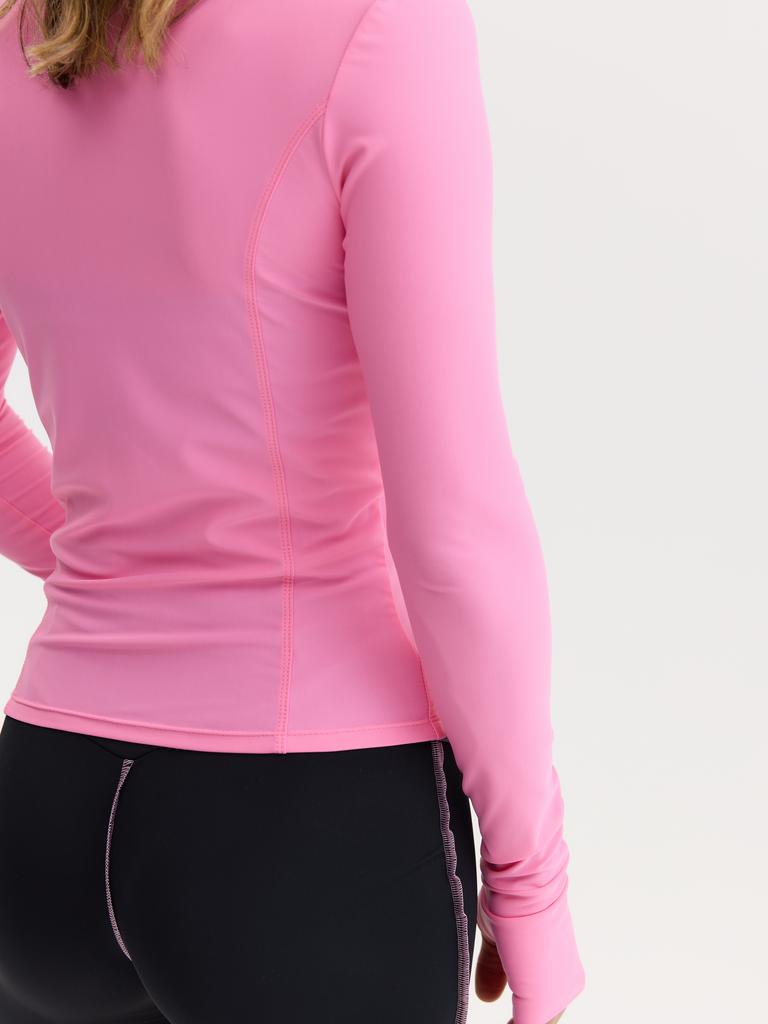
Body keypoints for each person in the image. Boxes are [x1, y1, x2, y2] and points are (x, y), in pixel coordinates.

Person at [0, 0, 586, 1021]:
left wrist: (126, 566)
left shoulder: (24, 41)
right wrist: (532, 883)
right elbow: (454, 530)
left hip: (45, 822)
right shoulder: (381, 26)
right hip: (307, 837)